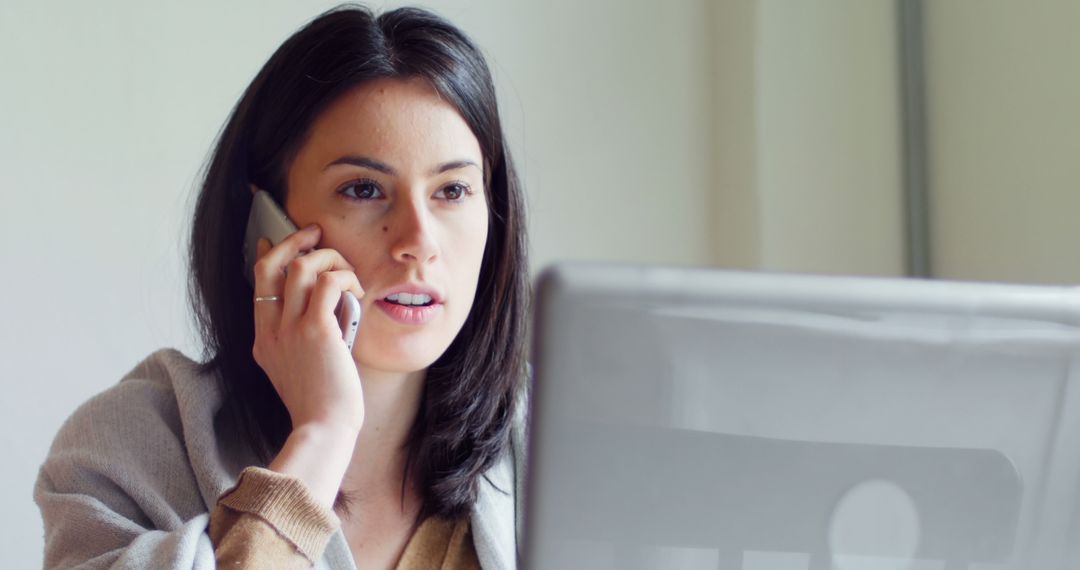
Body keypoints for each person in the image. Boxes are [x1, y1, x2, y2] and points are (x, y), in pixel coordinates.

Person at [34, 5, 530, 569]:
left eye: (453, 191)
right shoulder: (126, 449)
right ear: (264, 222)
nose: (419, 240)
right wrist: (322, 436)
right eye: (364, 189)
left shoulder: (558, 445)